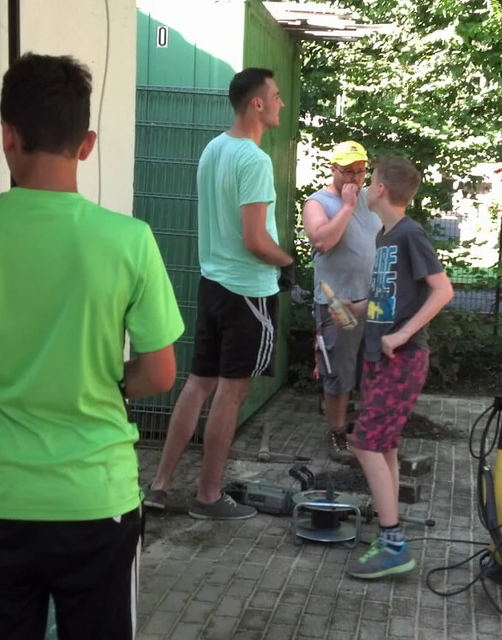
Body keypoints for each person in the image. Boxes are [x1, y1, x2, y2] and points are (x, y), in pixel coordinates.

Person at [0, 53, 184, 638]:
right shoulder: (130, 240)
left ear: (7, 135)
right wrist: (106, 379)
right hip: (96, 500)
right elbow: (160, 372)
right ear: (87, 144)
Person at [143, 67, 293, 520]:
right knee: (231, 393)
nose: (281, 103)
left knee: (198, 385)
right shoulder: (254, 160)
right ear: (257, 104)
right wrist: (287, 262)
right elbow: (255, 239)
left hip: (212, 287)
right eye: (276, 96)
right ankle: (208, 497)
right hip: (248, 291)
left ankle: (159, 486)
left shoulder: (213, 148)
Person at [331, 156, 454, 579]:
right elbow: (390, 296)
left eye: (370, 182)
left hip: (402, 358)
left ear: (381, 189)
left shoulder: (409, 234)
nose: (365, 187)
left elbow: (443, 290)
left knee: (364, 443)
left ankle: (394, 544)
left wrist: (401, 336)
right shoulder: (384, 236)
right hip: (378, 357)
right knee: (383, 446)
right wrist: (357, 308)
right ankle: (390, 534)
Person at [302, 141, 382, 462]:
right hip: (337, 305)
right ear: (333, 169)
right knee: (338, 372)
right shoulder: (318, 203)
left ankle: (366, 432)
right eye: (348, 171)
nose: (355, 177)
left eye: (360, 171)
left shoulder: (370, 198)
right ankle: (336, 434)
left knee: (373, 368)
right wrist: (347, 207)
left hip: (373, 301)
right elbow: (322, 241)